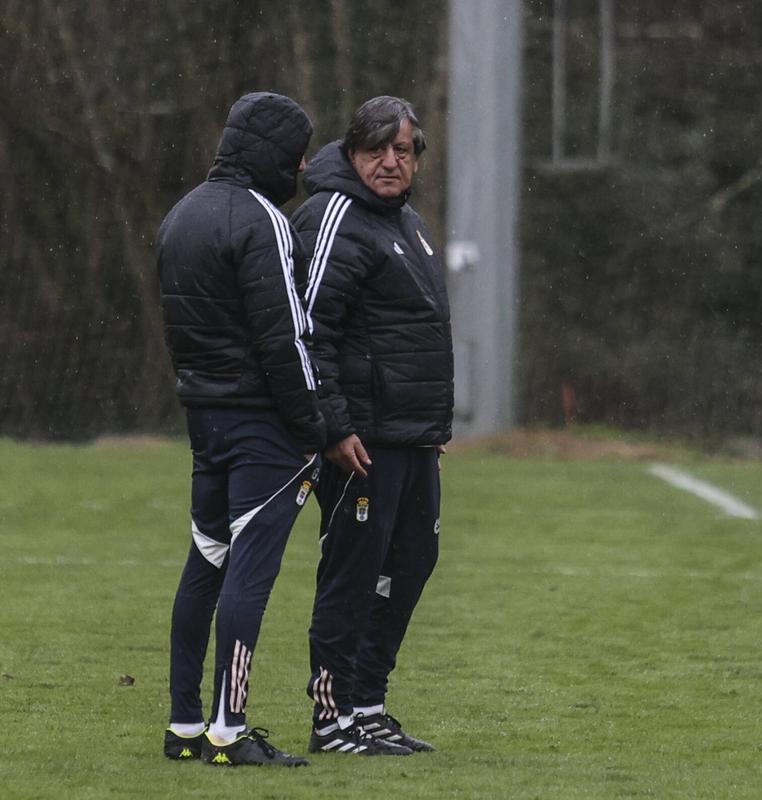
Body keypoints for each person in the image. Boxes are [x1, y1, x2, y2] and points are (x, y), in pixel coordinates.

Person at [156, 91, 325, 766]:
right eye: (300, 154)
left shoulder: (180, 215)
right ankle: (230, 728)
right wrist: (311, 427)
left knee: (206, 559)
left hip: (204, 418)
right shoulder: (263, 220)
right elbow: (285, 337)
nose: (306, 166)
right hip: (262, 426)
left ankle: (184, 725)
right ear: (277, 154)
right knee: (248, 575)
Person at [291, 96, 452, 756]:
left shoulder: (404, 221)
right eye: (377, 149)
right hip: (360, 439)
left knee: (413, 560)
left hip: (410, 437)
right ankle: (332, 719)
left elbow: (415, 333)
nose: (391, 161)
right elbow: (310, 330)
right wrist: (331, 426)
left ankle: (368, 703)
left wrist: (430, 433)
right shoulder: (334, 215)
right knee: (353, 572)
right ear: (352, 153)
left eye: (404, 150)